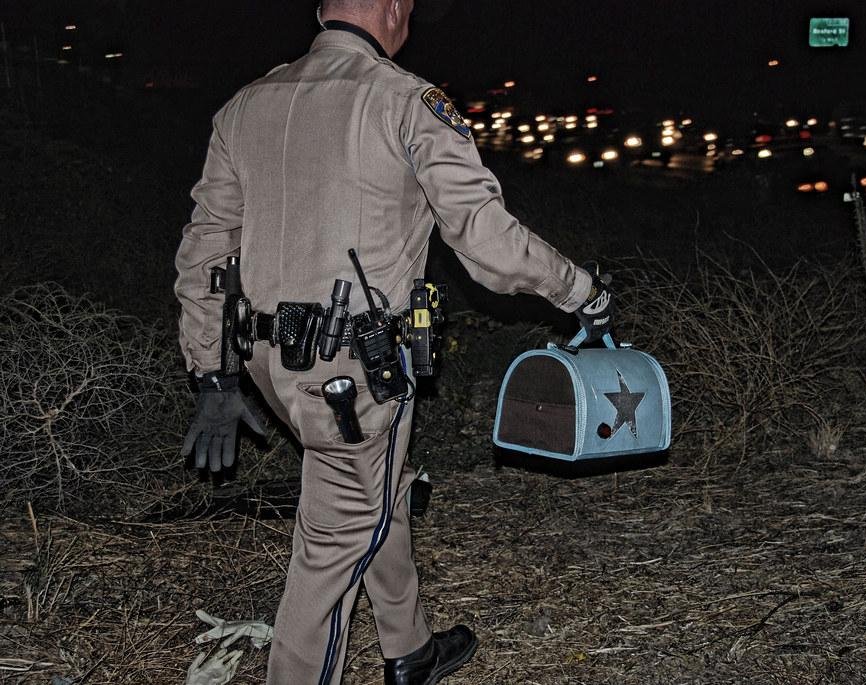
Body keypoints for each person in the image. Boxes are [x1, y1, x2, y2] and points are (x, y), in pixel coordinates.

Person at [172, 1, 614, 683]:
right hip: (353, 371)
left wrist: (212, 373)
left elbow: (206, 247)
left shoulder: (246, 105)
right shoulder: (404, 101)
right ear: (389, 9)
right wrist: (580, 290)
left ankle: (409, 650)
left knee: (375, 489)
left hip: (267, 363)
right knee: (333, 541)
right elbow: (486, 242)